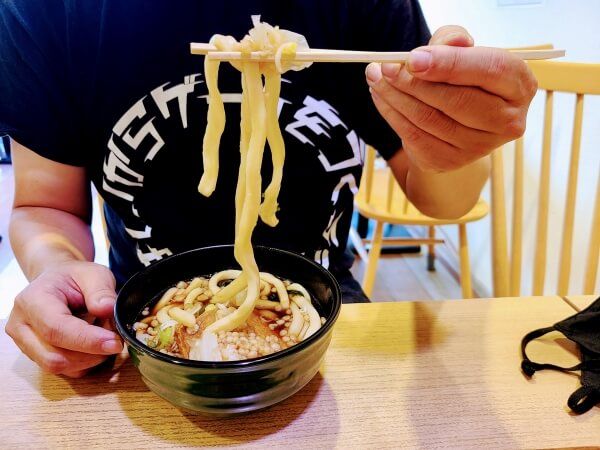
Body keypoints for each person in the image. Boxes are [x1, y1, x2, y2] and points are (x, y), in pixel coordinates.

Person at [0, 1, 536, 377]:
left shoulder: (366, 5)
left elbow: (441, 196)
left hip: (326, 315)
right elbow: (44, 206)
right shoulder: (51, 9)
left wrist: (458, 142)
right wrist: (55, 268)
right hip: (140, 323)